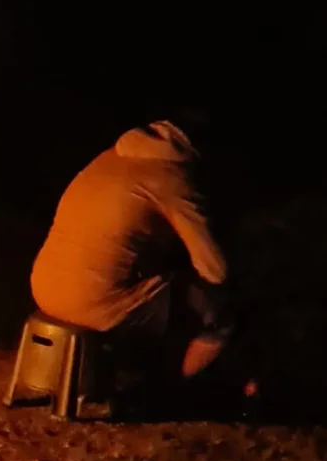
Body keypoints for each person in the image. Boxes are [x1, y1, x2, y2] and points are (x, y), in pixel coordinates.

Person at [30, 119, 232, 380]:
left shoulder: (108, 158)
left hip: (45, 287)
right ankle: (168, 393)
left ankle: (124, 374)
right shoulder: (173, 178)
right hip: (92, 304)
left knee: (153, 284)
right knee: (214, 312)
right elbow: (216, 270)